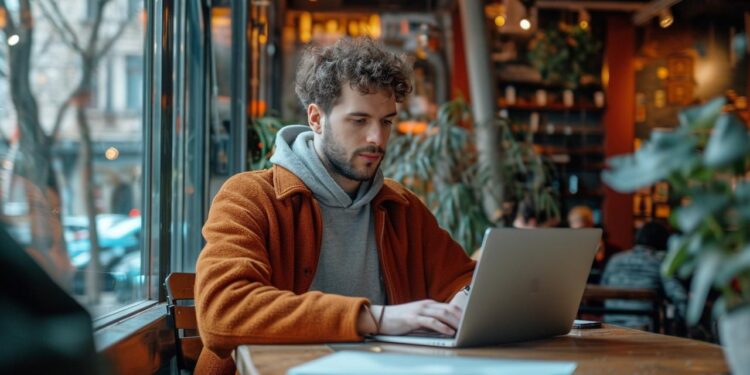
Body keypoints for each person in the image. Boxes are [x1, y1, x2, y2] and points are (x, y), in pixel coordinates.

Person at [194, 37, 475, 373]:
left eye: (386, 121)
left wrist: (467, 300)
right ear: (316, 118)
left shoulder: (400, 206)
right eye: (359, 121)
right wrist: (374, 318)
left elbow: (464, 280)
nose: (377, 138)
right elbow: (222, 312)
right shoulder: (250, 197)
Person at [600, 221, 687, 330]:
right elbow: (679, 296)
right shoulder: (662, 262)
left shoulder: (614, 260)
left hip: (611, 326)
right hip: (646, 330)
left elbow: (602, 290)